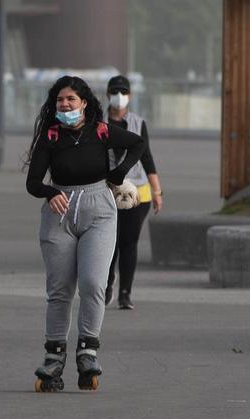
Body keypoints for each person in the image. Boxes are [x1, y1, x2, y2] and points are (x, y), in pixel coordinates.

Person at [24, 75, 144, 392]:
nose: (64, 105)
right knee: (60, 289)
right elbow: (33, 182)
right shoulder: (49, 137)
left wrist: (119, 173)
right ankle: (54, 357)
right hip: (59, 214)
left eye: (71, 100)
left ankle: (88, 351)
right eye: (60, 100)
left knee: (93, 283)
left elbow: (137, 144)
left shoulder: (101, 131)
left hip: (100, 211)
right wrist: (50, 192)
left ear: (84, 103)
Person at [104, 74, 163, 310]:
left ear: (130, 95)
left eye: (124, 92)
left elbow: (147, 157)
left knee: (129, 242)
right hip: (107, 190)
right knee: (108, 242)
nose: (119, 96)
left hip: (137, 193)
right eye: (115, 91)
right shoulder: (96, 122)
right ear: (107, 94)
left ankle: (125, 293)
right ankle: (107, 283)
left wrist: (157, 191)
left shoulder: (139, 123)